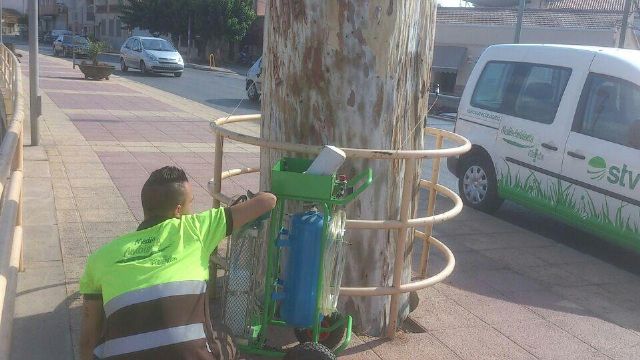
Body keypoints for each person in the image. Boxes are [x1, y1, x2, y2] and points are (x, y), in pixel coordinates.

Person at [79, 166, 276, 360]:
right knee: (226, 336)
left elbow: (89, 337)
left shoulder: (100, 257)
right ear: (178, 210)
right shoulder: (196, 229)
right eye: (191, 202)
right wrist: (258, 194)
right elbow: (268, 201)